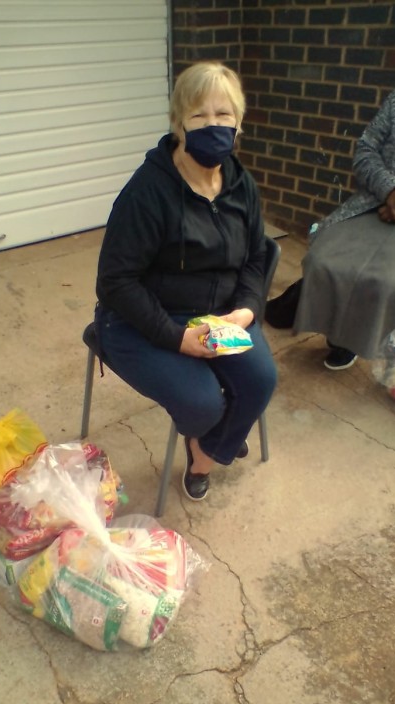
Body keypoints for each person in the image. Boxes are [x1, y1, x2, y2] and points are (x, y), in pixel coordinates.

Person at [94, 61, 277, 501]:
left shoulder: (241, 186)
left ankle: (206, 450)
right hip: (142, 318)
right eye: (199, 115)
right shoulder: (148, 191)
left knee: (260, 380)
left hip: (219, 314)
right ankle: (216, 434)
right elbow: (115, 282)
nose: (213, 125)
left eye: (224, 114)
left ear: (239, 122)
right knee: (202, 403)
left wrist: (247, 308)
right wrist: (177, 338)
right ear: (179, 123)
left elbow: (256, 257)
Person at [291, 16, 395, 370]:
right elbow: (366, 150)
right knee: (322, 258)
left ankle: (382, 345)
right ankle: (338, 334)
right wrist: (390, 189)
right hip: (375, 202)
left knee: (389, 281)